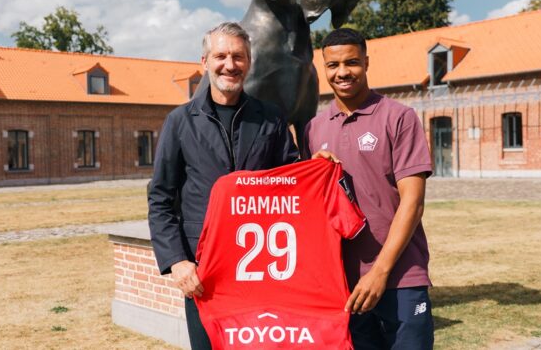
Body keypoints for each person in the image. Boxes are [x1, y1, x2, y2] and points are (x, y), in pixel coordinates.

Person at [148, 22, 298, 350]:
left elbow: (292, 186)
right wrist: (176, 261)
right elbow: (160, 197)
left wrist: (322, 168)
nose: (230, 65)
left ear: (249, 62)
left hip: (260, 270)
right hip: (203, 275)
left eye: (238, 57)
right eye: (221, 56)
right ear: (204, 62)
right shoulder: (180, 122)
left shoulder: (271, 118)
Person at [304, 28, 434, 349]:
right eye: (333, 65)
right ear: (324, 68)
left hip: (400, 276)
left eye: (352, 62)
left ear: (366, 62)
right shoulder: (313, 129)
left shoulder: (399, 118)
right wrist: (315, 172)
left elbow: (413, 203)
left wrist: (379, 272)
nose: (343, 72)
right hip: (342, 282)